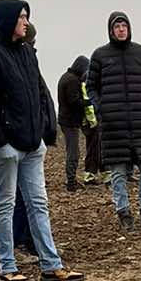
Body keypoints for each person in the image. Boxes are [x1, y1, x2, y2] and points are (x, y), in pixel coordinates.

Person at [0, 0, 83, 281]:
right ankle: (7, 266)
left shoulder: (27, 52)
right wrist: (0, 140)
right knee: (5, 205)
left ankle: (51, 265)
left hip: (32, 145)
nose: (26, 22)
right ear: (7, 19)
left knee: (38, 204)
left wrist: (41, 133)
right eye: (21, 17)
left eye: (26, 16)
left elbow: (38, 93)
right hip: (3, 147)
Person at [87, 11, 141, 231]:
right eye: (117, 26)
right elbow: (91, 86)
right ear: (111, 30)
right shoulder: (100, 55)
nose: (121, 30)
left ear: (129, 28)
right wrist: (101, 108)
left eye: (124, 26)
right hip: (114, 125)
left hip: (140, 123)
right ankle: (124, 213)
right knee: (118, 173)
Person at [56, 53, 99, 192]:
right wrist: (89, 102)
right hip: (70, 122)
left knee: (73, 151)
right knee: (73, 153)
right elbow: (74, 101)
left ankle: (72, 180)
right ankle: (71, 182)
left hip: (67, 120)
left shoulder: (67, 77)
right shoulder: (72, 81)